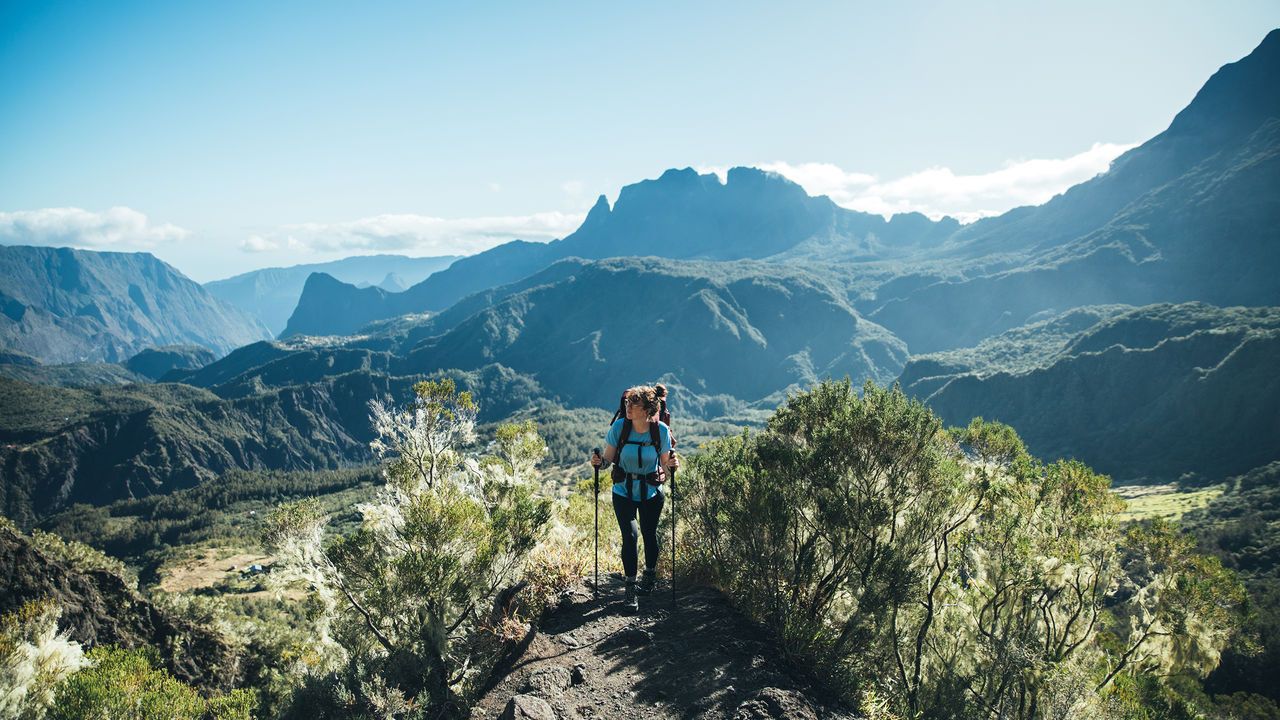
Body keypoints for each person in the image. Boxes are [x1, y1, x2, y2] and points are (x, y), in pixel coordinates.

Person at [590, 384, 679, 611]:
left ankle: (649, 576)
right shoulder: (620, 427)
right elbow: (608, 460)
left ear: (648, 410)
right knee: (630, 536)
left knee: (649, 535)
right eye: (627, 403)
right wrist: (599, 463)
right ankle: (631, 588)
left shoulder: (660, 431)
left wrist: (671, 465)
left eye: (634, 405)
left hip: (651, 492)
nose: (628, 407)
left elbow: (665, 468)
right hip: (623, 491)